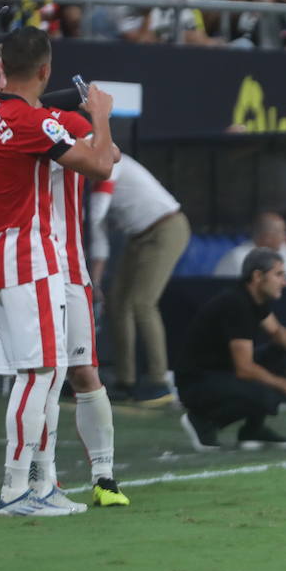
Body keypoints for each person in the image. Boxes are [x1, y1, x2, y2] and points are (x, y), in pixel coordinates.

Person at [0, 27, 117, 516]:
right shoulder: (38, 123)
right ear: (46, 71)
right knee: (40, 373)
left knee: (37, 373)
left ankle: (39, 485)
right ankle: (16, 489)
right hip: (30, 253)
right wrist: (100, 116)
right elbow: (100, 165)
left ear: (4, 69)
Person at [176, 247, 286, 451]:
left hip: (221, 372)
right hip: (197, 382)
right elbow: (244, 368)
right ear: (258, 276)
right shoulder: (236, 304)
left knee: (281, 352)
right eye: (278, 275)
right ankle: (201, 421)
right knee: (264, 394)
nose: (285, 282)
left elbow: (277, 331)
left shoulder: (254, 299)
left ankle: (253, 430)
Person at [88, 152, 192, 404]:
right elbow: (99, 231)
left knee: (143, 303)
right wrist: (95, 283)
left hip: (166, 228)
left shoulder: (108, 159)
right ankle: (126, 380)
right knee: (117, 302)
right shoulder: (92, 173)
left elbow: (96, 217)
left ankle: (160, 382)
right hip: (139, 237)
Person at [213, 211, 286, 277]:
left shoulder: (281, 249)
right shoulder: (239, 258)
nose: (285, 237)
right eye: (282, 232)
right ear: (267, 237)